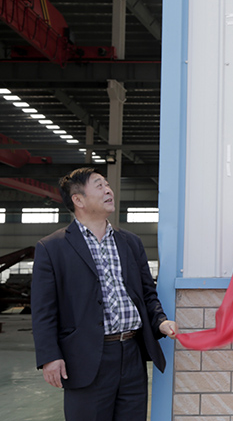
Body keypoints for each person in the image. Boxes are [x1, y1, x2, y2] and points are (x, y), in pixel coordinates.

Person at [31, 167, 178, 420]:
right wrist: (50, 356)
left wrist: (161, 321)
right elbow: (44, 309)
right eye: (99, 186)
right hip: (85, 357)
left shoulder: (130, 242)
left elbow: (146, 293)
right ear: (78, 200)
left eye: (107, 185)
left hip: (132, 353)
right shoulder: (52, 247)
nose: (108, 190)